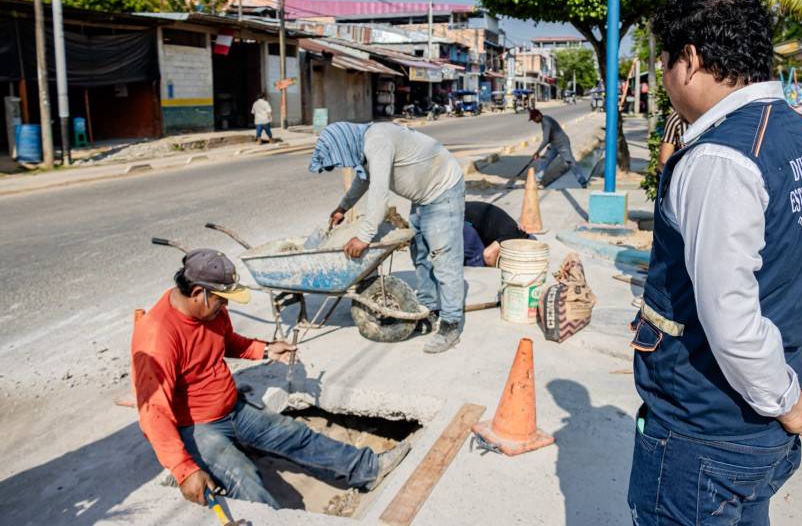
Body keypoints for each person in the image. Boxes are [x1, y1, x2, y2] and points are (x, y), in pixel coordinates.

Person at [628, 0, 802, 525]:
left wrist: (787, 401)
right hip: (757, 424)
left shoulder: (721, 159)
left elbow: (731, 318)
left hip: (705, 432)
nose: (665, 79)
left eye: (665, 63)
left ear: (691, 60)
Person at [132, 249, 409, 509]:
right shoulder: (158, 337)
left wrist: (264, 349)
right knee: (243, 476)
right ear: (197, 293)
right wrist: (184, 470)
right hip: (196, 427)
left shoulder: (212, 311)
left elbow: (226, 342)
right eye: (221, 299)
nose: (225, 305)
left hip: (231, 409)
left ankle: (367, 468)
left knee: (294, 434)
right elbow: (153, 413)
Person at [310, 121, 465, 354]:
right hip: (423, 196)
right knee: (420, 253)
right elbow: (364, 179)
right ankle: (431, 308)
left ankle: (451, 324)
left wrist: (364, 237)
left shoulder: (377, 141)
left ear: (345, 144)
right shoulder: (366, 143)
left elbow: (379, 192)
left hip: (443, 189)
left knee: (444, 258)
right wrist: (343, 207)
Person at [528, 108, 588, 188]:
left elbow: (545, 140)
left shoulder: (546, 122)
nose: (534, 121)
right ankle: (537, 180)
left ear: (538, 115)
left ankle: (582, 181)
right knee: (545, 160)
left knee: (570, 162)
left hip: (562, 144)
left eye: (534, 118)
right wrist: (539, 152)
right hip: (554, 144)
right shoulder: (544, 120)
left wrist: (537, 152)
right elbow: (549, 138)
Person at [462, 201, 531, 267]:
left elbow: (488, 256)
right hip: (494, 228)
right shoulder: (460, 213)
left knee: (487, 255)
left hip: (512, 233)